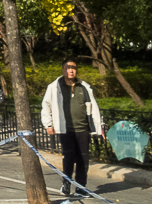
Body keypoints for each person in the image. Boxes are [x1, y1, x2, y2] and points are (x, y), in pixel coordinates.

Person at [40, 60, 105, 196]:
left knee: (83, 159)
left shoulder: (84, 87)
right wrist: (48, 124)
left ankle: (81, 187)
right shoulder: (55, 87)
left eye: (73, 68)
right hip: (66, 129)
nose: (71, 70)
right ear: (63, 70)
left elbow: (94, 108)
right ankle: (66, 183)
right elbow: (46, 105)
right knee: (69, 157)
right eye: (68, 68)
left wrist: (100, 126)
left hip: (83, 129)